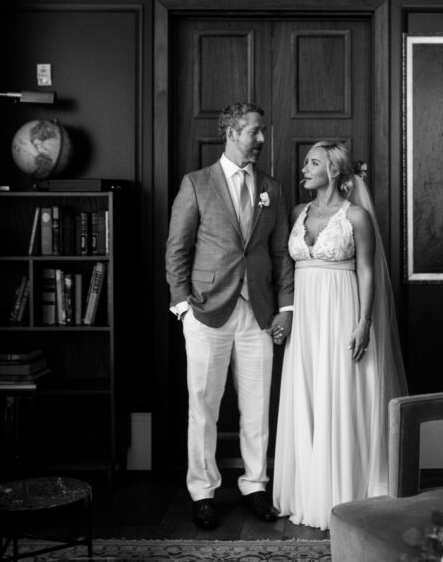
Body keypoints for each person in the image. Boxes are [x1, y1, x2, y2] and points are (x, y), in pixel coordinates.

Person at [165, 102, 295, 529]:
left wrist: (286, 307)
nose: (261, 139)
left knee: (257, 407)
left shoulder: (271, 188)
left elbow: (280, 253)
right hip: (206, 311)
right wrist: (183, 306)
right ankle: (203, 492)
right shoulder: (196, 183)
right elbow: (177, 248)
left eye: (262, 131)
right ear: (232, 132)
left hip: (259, 313)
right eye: (254, 131)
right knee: (203, 406)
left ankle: (255, 485)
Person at [272, 141, 407, 530]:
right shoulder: (297, 213)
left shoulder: (356, 216)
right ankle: (306, 492)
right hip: (306, 318)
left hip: (341, 311)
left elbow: (367, 271)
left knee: (341, 392)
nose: (304, 168)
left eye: (313, 162)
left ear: (333, 170)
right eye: (305, 162)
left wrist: (364, 321)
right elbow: (285, 268)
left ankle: (343, 495)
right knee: (307, 393)